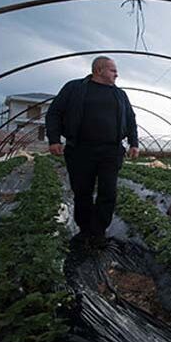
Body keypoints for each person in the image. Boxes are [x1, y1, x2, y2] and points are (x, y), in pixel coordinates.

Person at [46, 56, 139, 243]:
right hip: (80, 149)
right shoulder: (74, 88)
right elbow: (54, 113)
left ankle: (99, 231)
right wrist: (54, 139)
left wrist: (134, 143)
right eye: (113, 70)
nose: (117, 74)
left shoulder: (120, 94)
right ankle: (85, 229)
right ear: (99, 70)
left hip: (111, 150)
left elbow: (130, 118)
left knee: (108, 192)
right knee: (82, 191)